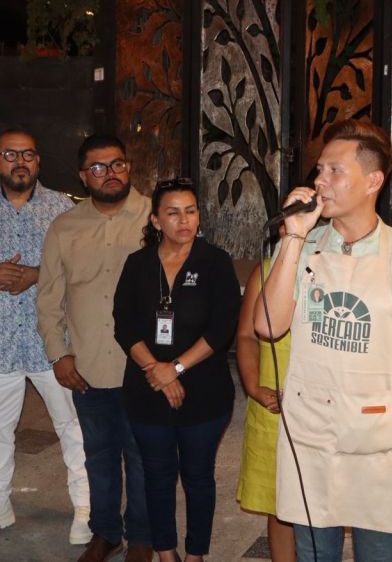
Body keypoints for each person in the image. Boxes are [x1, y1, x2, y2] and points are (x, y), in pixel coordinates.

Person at [253, 119, 392, 562]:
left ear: (373, 181)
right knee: (314, 554)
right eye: (319, 170)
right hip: (309, 436)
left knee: (379, 552)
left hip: (376, 443)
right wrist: (294, 238)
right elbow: (267, 327)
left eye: (335, 171)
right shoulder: (301, 247)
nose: (319, 181)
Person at [0, 129, 90, 546]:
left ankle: (87, 507)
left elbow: (84, 269)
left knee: (73, 427)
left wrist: (37, 275)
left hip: (54, 344)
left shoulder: (61, 208)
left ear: (38, 162)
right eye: (10, 154)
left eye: (28, 154)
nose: (20, 162)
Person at [38, 134, 154, 562]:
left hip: (146, 367)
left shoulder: (156, 217)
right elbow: (49, 298)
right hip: (87, 367)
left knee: (144, 456)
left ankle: (142, 535)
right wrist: (59, 354)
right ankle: (106, 532)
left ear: (129, 167)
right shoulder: (64, 227)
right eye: (99, 168)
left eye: (118, 164)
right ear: (83, 176)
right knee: (99, 456)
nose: (111, 174)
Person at [113, 177, 241, 562]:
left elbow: (222, 327)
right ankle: (166, 553)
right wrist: (158, 370)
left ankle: (196, 555)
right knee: (157, 475)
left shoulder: (215, 262)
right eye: (173, 213)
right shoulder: (137, 264)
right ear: (156, 220)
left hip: (205, 391)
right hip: (147, 388)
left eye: (190, 211)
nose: (184, 220)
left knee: (198, 477)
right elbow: (124, 325)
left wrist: (177, 368)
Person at [235, 236, 295, 562]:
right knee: (279, 503)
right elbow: (246, 335)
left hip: (324, 407)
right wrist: (255, 388)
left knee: (327, 503)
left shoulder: (336, 267)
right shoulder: (267, 271)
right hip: (274, 406)